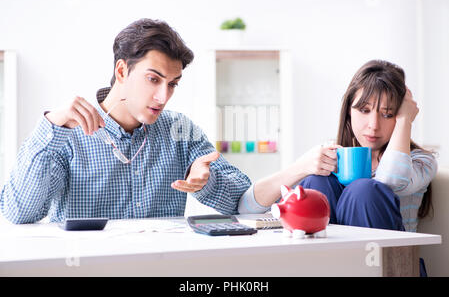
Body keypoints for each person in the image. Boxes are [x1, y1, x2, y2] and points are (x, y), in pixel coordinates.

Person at [0, 18, 251, 224]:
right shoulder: (66, 134)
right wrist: (52, 127)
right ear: (122, 71)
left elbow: (242, 200)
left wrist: (207, 183)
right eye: (153, 79)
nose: (164, 97)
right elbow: (19, 214)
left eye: (172, 84)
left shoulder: (180, 130)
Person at [239, 59, 437, 235]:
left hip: (389, 265)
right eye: (364, 110)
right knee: (317, 182)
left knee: (364, 190)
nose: (374, 125)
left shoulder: (420, 161)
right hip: (333, 265)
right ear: (349, 111)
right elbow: (247, 208)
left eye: (387, 114)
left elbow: (390, 182)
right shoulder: (332, 155)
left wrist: (405, 122)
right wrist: (301, 167)